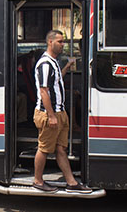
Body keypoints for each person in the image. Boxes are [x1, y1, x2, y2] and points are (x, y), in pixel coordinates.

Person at [32, 30, 92, 193]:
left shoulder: (54, 63)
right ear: (50, 42)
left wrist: (67, 66)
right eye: (60, 41)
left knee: (60, 149)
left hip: (60, 112)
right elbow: (44, 91)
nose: (63, 45)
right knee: (44, 148)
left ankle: (71, 183)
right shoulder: (45, 64)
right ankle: (38, 181)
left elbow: (57, 80)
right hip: (49, 114)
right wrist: (51, 116)